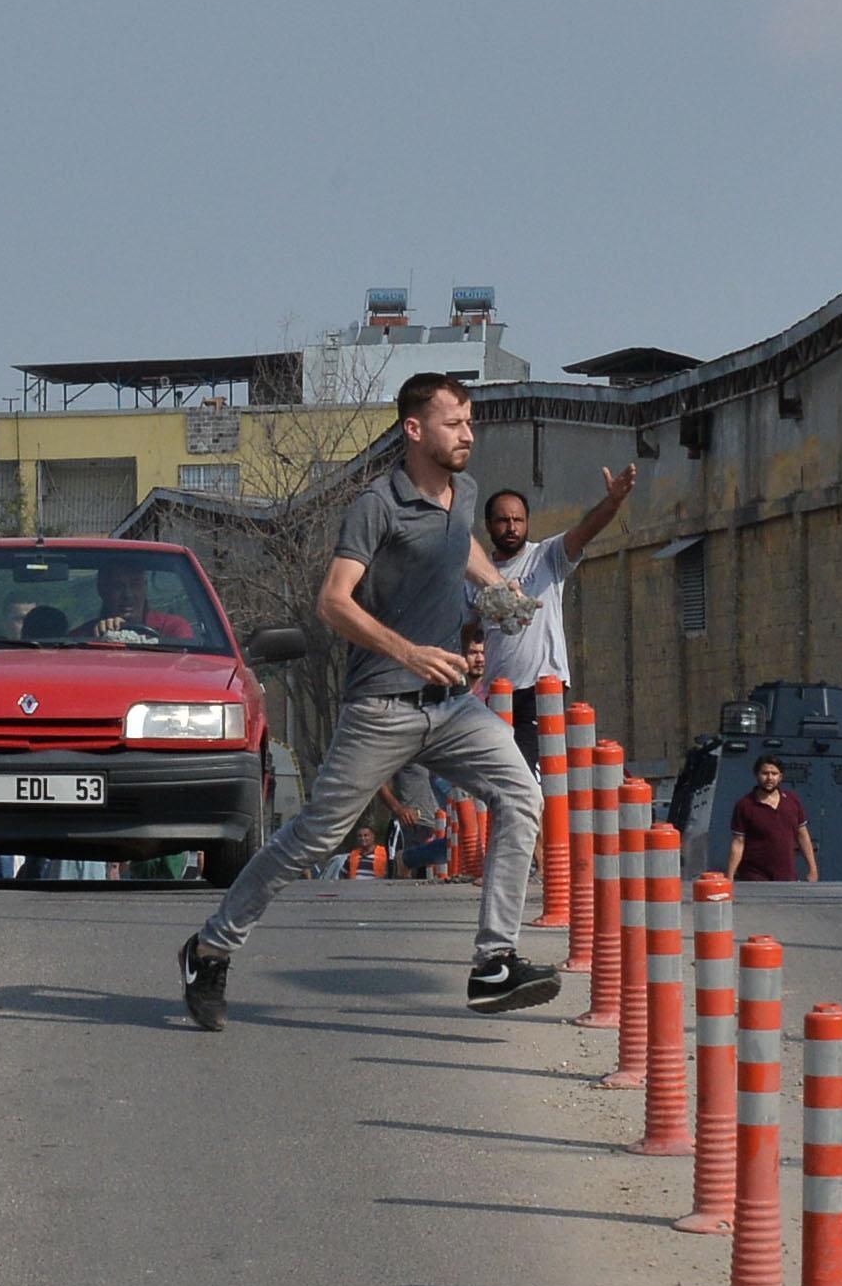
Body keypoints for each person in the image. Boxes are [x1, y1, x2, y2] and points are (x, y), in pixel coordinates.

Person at [176, 373, 561, 1029]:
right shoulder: (376, 506)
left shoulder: (463, 492)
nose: (468, 433)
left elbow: (458, 536)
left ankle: (494, 962)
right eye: (454, 422)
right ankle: (210, 947)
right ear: (415, 430)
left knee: (522, 795)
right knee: (310, 839)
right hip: (382, 706)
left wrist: (495, 589)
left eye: (471, 422)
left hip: (451, 707)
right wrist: (407, 651)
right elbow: (333, 601)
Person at [477, 469, 637, 760]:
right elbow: (467, 632)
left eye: (518, 520)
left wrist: (612, 502)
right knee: (500, 774)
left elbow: (584, 531)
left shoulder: (546, 557)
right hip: (497, 694)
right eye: (503, 521)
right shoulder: (477, 575)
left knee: (530, 770)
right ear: (488, 526)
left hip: (541, 690)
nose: (512, 527)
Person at [727, 756, 819, 884]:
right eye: (765, 773)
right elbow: (738, 842)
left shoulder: (792, 801)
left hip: (786, 874)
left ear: (780, 777)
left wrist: (813, 869)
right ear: (757, 775)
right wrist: (730, 876)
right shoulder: (744, 805)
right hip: (754, 875)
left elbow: (803, 836)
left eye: (774, 774)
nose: (770, 778)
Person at [78, 557, 194, 643]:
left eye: (135, 584)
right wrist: (101, 639)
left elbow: (183, 664)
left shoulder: (172, 628)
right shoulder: (83, 637)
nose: (128, 594)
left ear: (145, 587)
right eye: (118, 586)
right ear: (102, 591)